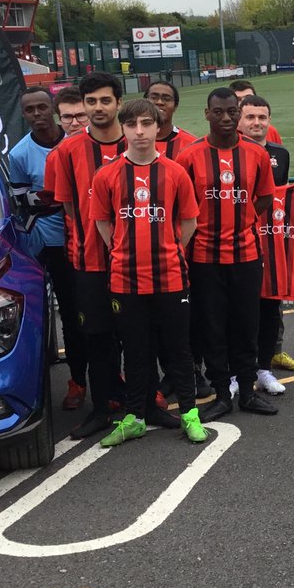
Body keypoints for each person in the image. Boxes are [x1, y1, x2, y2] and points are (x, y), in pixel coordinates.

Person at [89, 98, 206, 447]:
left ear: (158, 126)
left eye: (146, 123)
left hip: (170, 277)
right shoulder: (108, 174)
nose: (139, 132)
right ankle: (135, 417)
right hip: (125, 279)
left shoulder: (174, 172)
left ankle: (189, 414)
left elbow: (189, 222)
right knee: (135, 352)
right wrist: (124, 250)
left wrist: (168, 247)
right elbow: (102, 222)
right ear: (123, 129)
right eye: (131, 125)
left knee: (179, 351)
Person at [176, 87, 279, 418]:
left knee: (246, 325)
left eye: (232, 112)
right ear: (206, 114)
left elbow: (263, 199)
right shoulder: (189, 157)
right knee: (213, 327)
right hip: (204, 258)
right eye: (218, 112)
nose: (226, 118)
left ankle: (247, 391)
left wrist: (242, 220)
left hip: (246, 255)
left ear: (239, 113)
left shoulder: (256, 154)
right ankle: (222, 393)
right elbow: (183, 209)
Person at [46, 72, 129, 439]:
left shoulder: (139, 143)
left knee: (139, 333)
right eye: (91, 102)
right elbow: (65, 204)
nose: (98, 108)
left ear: (118, 103)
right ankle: (102, 407)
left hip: (135, 261)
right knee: (95, 335)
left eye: (105, 101)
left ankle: (141, 401)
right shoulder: (66, 152)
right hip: (89, 261)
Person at [8, 87, 87, 412]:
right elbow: (20, 199)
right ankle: (76, 379)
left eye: (43, 107)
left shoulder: (78, 145)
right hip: (48, 245)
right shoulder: (19, 154)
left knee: (90, 315)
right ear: (24, 114)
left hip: (88, 241)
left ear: (53, 109)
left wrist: (52, 197)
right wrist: (53, 199)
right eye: (30, 110)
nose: (38, 114)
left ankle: (104, 379)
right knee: (58, 314)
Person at [238, 94, 294, 395]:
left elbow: (282, 195)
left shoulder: (280, 154)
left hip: (271, 245)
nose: (256, 123)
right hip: (237, 244)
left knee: (270, 308)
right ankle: (236, 372)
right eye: (250, 117)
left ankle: (263, 369)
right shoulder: (229, 153)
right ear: (239, 120)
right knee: (238, 312)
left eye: (262, 117)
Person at [145, 80, 198, 159]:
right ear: (144, 102)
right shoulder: (128, 142)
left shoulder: (191, 144)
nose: (159, 102)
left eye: (166, 99)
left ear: (175, 107)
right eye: (153, 97)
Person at [230, 80, 282, 144]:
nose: (242, 103)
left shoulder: (270, 131)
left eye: (248, 98)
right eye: (238, 100)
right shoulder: (225, 135)